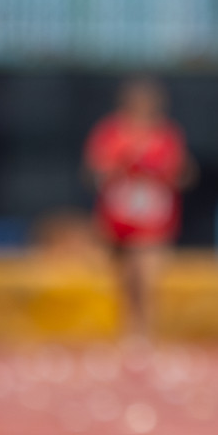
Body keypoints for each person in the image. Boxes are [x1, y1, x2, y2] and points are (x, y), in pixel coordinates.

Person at [83, 77, 193, 337]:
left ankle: (145, 333)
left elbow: (185, 173)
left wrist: (162, 172)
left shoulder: (166, 135)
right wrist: (119, 166)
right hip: (117, 217)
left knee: (145, 276)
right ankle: (124, 330)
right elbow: (94, 172)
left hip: (152, 219)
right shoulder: (111, 132)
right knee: (121, 280)